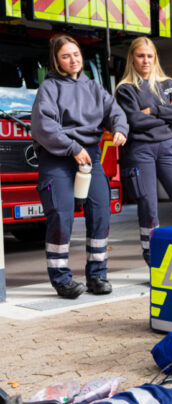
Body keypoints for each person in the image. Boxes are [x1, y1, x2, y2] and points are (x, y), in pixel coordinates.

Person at [31, 34, 128, 298]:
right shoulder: (49, 89)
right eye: (65, 56)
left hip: (90, 157)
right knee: (61, 215)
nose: (73, 60)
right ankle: (61, 279)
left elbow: (115, 112)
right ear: (56, 60)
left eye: (75, 54)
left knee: (100, 212)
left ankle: (97, 275)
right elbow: (44, 127)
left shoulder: (94, 87)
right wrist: (73, 148)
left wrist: (120, 127)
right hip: (58, 156)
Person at [115, 37, 172, 267]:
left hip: (168, 149)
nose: (145, 60)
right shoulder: (126, 89)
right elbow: (134, 120)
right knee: (148, 207)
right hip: (140, 151)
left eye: (149, 56)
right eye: (140, 56)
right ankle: (153, 261)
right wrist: (165, 114)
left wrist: (152, 110)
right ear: (132, 57)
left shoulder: (169, 84)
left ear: (155, 58)